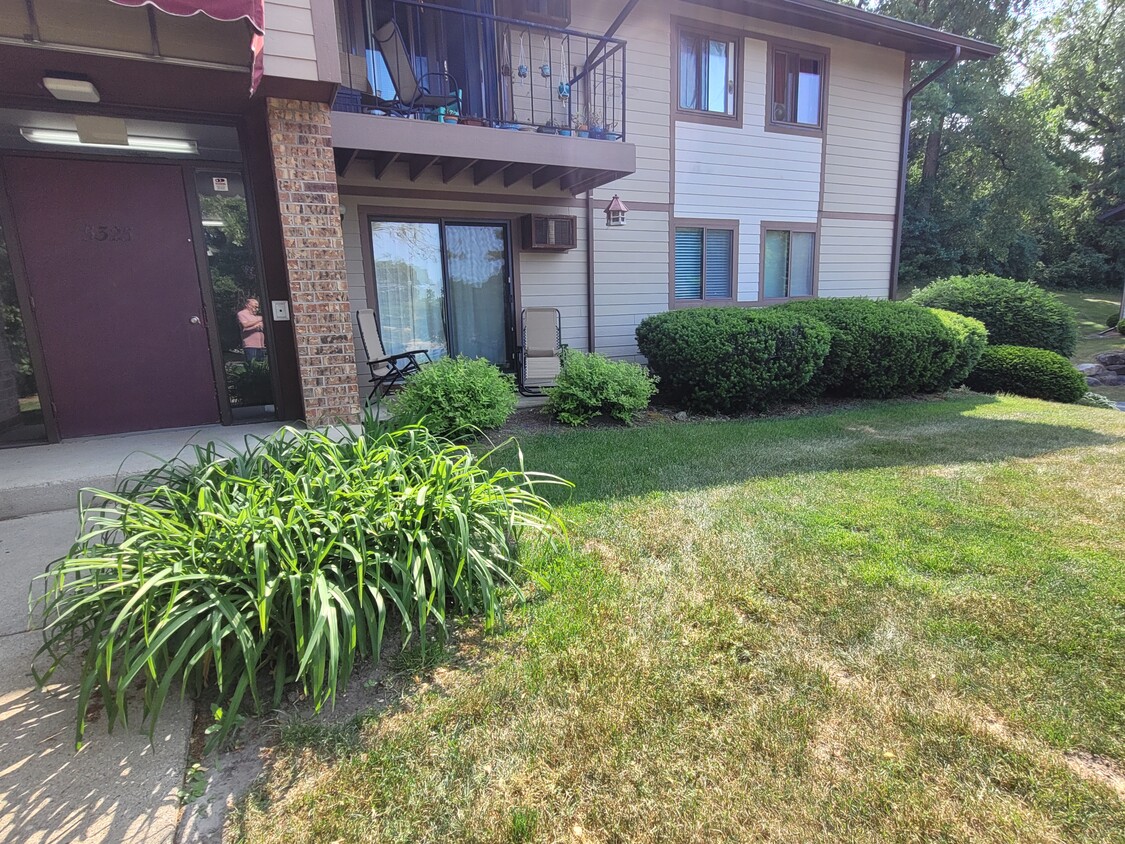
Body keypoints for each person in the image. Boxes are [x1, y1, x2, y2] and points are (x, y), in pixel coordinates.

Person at [237, 296, 266, 363]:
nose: (256, 309)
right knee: (252, 365)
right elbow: (245, 325)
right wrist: (258, 322)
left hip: (260, 345)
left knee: (261, 365)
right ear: (248, 305)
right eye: (255, 306)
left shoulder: (255, 316)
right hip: (250, 345)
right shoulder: (241, 314)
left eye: (257, 307)